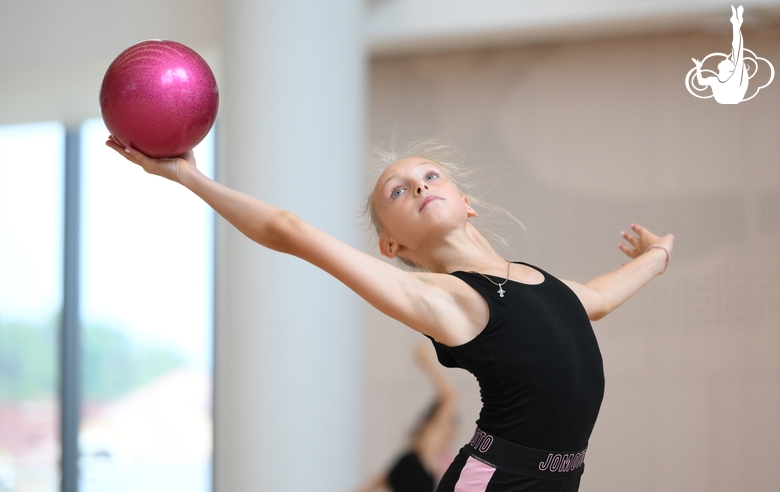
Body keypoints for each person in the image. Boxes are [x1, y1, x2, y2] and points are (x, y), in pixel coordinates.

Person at [106, 136, 674, 492]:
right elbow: (288, 230)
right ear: (391, 248)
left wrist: (657, 254)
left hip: (561, 478)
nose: (419, 185)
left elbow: (596, 298)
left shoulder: (537, 280)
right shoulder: (441, 297)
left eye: (429, 175)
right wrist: (187, 175)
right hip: (497, 480)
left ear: (466, 201)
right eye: (397, 193)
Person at [357, 342, 458, 492]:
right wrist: (427, 362)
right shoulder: (425, 453)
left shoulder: (408, 459)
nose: (448, 433)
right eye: (446, 425)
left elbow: (373, 483)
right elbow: (449, 396)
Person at [692, 5, 748, 104]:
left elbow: (737, 48)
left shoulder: (735, 77)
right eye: (727, 60)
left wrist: (736, 25)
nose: (725, 59)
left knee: (737, 50)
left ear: (729, 69)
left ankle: (736, 23)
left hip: (732, 97)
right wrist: (698, 67)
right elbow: (701, 82)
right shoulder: (714, 80)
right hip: (728, 98)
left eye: (727, 61)